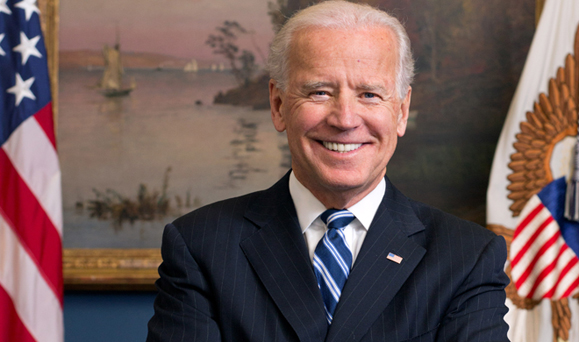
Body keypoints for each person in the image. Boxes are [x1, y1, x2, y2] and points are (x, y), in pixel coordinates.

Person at [147, 1, 510, 341]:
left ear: (400, 112)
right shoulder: (201, 246)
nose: (345, 120)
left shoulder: (466, 257)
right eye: (320, 92)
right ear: (278, 105)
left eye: (369, 94)